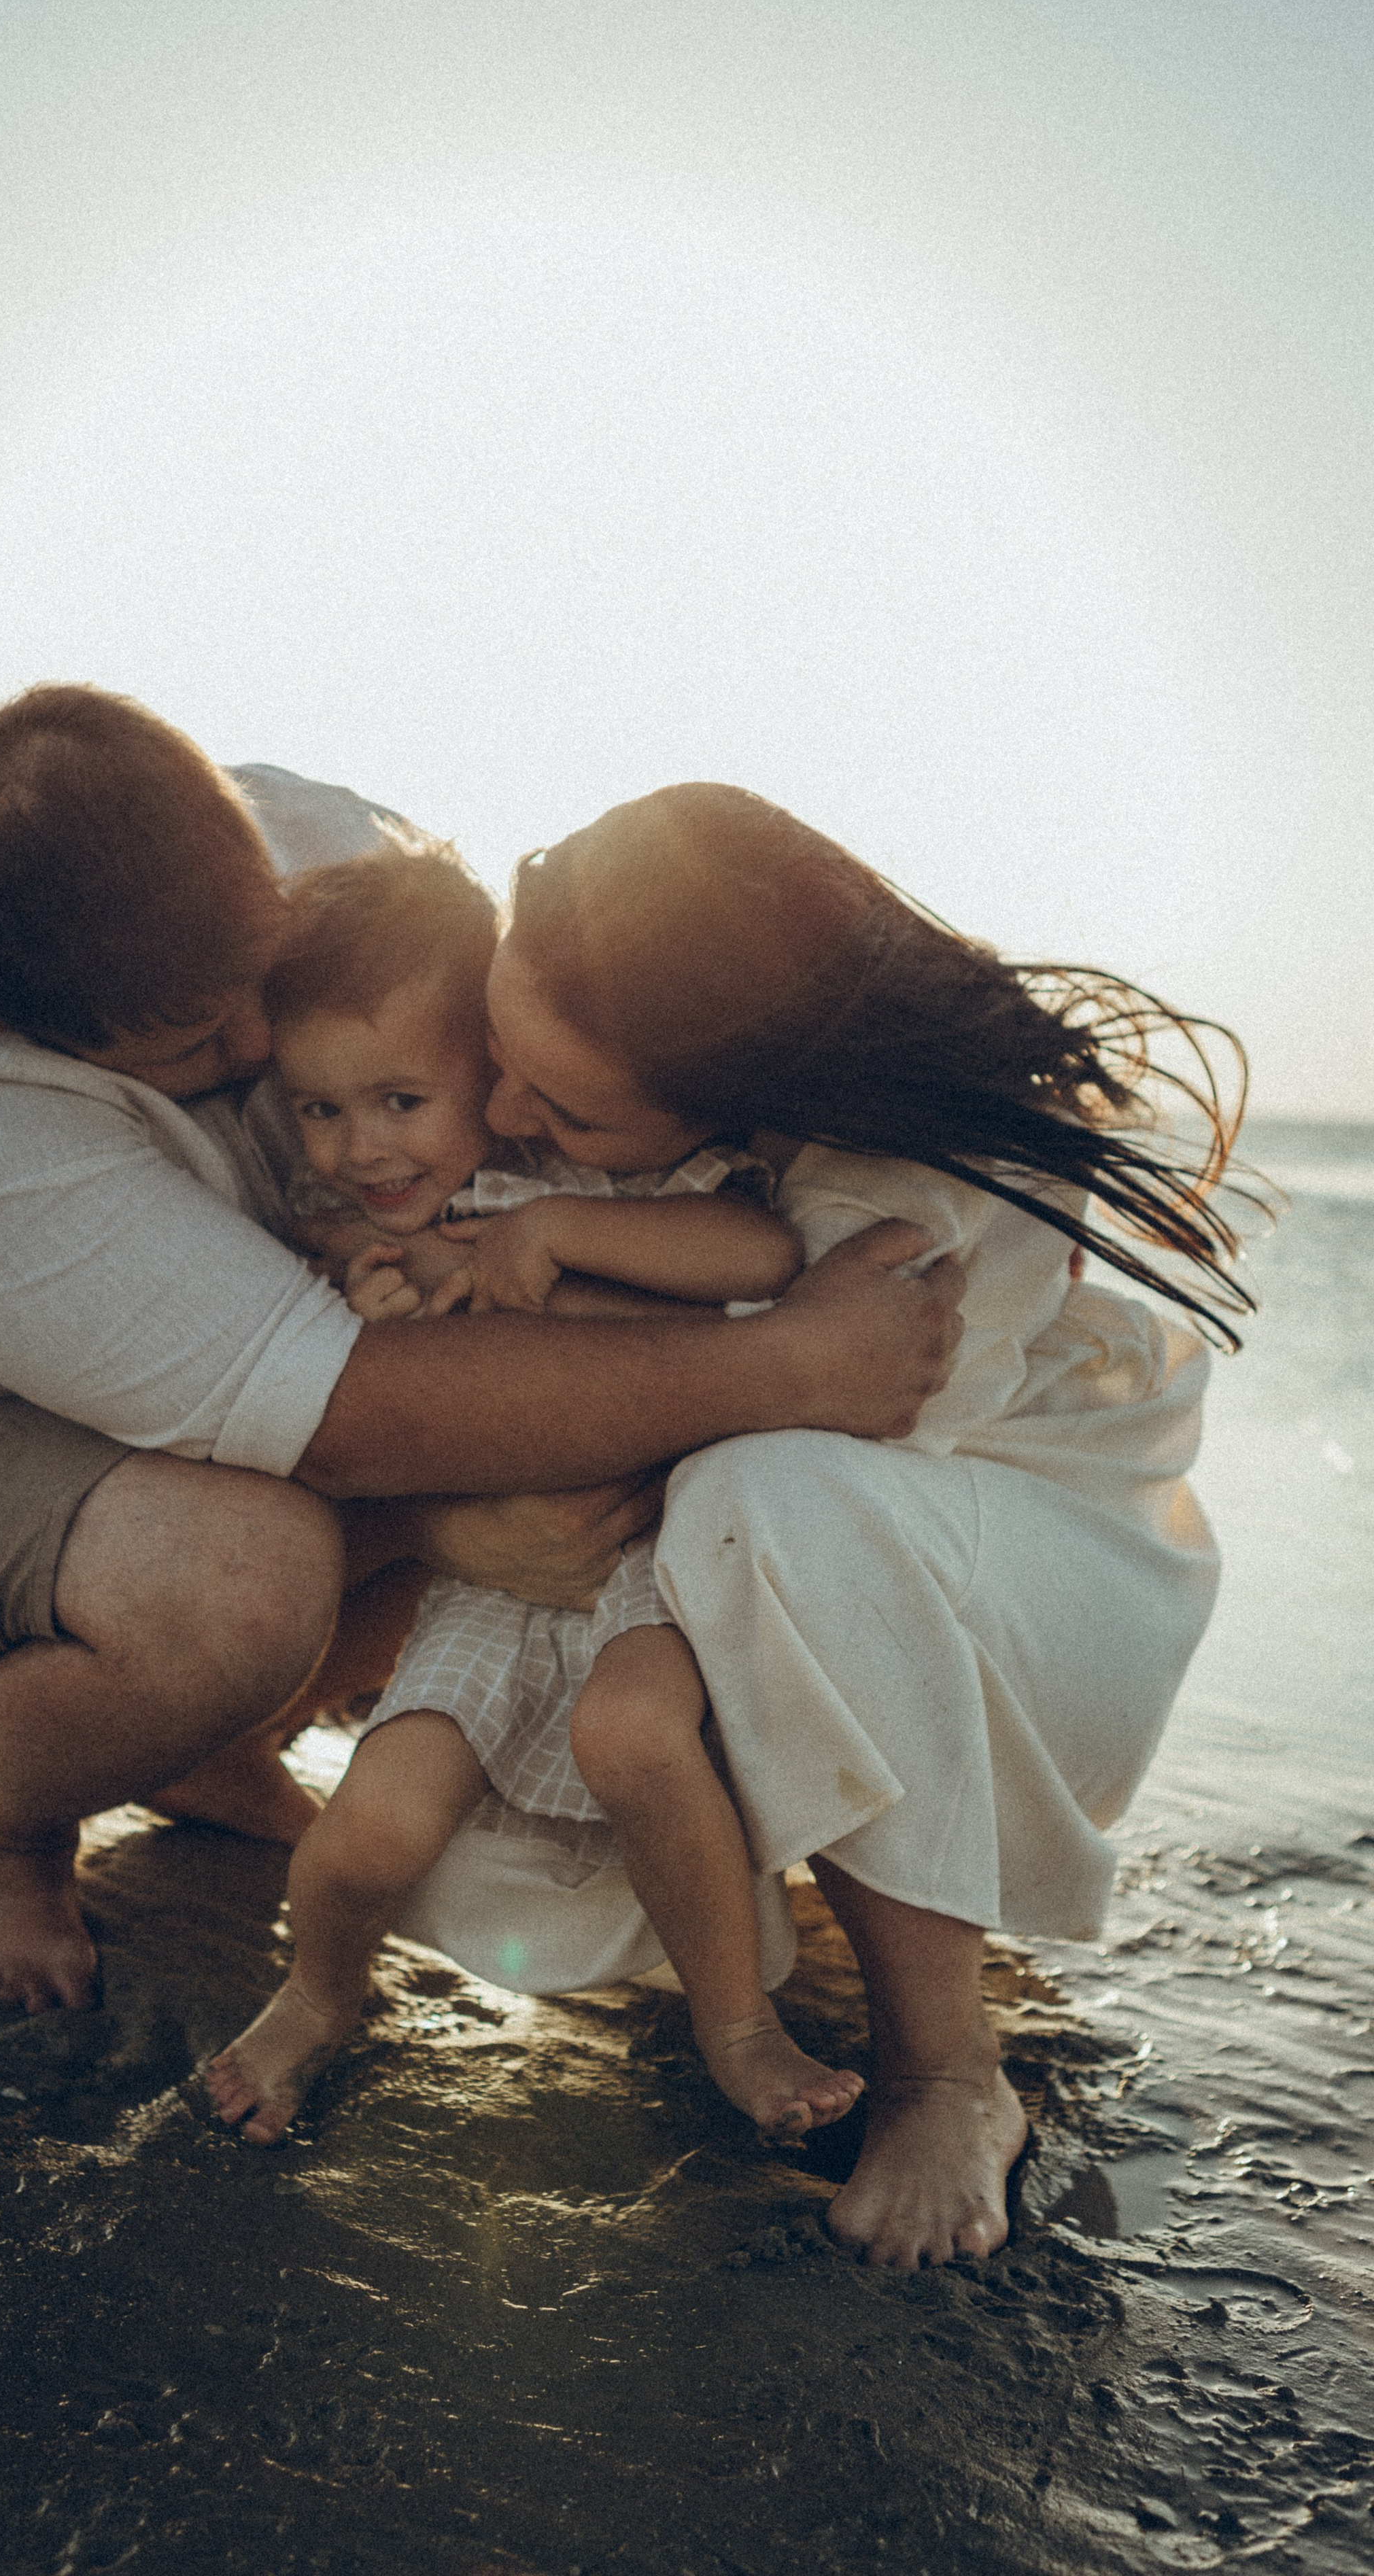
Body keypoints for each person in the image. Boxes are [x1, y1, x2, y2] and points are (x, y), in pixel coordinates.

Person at [0, 693, 965, 2021]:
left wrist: (955, 1153)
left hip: (218, 1398)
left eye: (260, 985)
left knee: (555, 1456)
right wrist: (787, 1367)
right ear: (3, 1018)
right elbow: (351, 1418)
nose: (258, 1047)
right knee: (247, 1578)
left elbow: (603, 1018)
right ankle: (5, 1828)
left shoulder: (317, 847)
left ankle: (206, 1744)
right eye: (197, 1048)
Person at [402, 780, 1241, 2269]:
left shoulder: (913, 1199)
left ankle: (945, 2072)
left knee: (755, 1491)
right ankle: (822, 1926)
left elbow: (819, 1413)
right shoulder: (685, 1148)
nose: (508, 1119)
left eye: (565, 1108)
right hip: (872, 1575)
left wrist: (530, 1285)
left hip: (1035, 1627)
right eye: (496, 1058)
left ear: (744, 1081)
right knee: (483, 1881)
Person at [205, 837, 864, 2148]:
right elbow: (370, 1380)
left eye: (403, 1100)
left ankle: (737, 2027)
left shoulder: (617, 1180)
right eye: (321, 1109)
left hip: (645, 1564)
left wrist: (555, 1236)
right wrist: (376, 1292)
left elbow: (764, 1250)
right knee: (367, 1833)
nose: (361, 1146)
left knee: (636, 1742)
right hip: (492, 1587)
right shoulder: (411, 1220)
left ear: (488, 1069)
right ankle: (315, 1994)